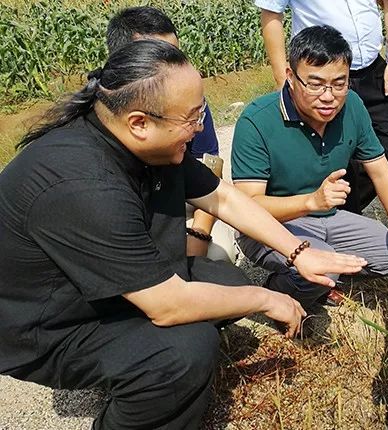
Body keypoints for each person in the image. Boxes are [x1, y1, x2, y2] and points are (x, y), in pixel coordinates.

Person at [0, 40, 366, 429]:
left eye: (202, 113)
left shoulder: (141, 142)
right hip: (50, 326)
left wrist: (297, 252)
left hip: (98, 289)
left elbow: (220, 196)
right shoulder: (82, 182)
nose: (201, 129)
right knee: (187, 350)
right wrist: (266, 297)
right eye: (192, 118)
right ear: (139, 123)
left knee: (224, 278)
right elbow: (169, 305)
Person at [232, 25, 388, 309]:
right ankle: (279, 291)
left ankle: (320, 276)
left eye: (339, 83)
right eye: (315, 84)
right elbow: (246, 206)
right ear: (290, 77)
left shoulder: (352, 105)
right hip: (271, 225)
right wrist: (311, 201)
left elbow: (380, 170)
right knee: (322, 269)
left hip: (330, 218)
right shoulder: (256, 121)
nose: (329, 96)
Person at [257, 0, 388, 213]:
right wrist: (283, 78)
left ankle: (338, 212)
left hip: (374, 69)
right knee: (328, 150)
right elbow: (271, 14)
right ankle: (316, 211)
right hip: (320, 75)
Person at [107, 6, 227, 259]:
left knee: (219, 256)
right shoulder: (98, 114)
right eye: (159, 57)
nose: (174, 68)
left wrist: (200, 232)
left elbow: (211, 168)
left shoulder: (188, 101)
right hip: (124, 218)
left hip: (184, 205)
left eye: (176, 56)